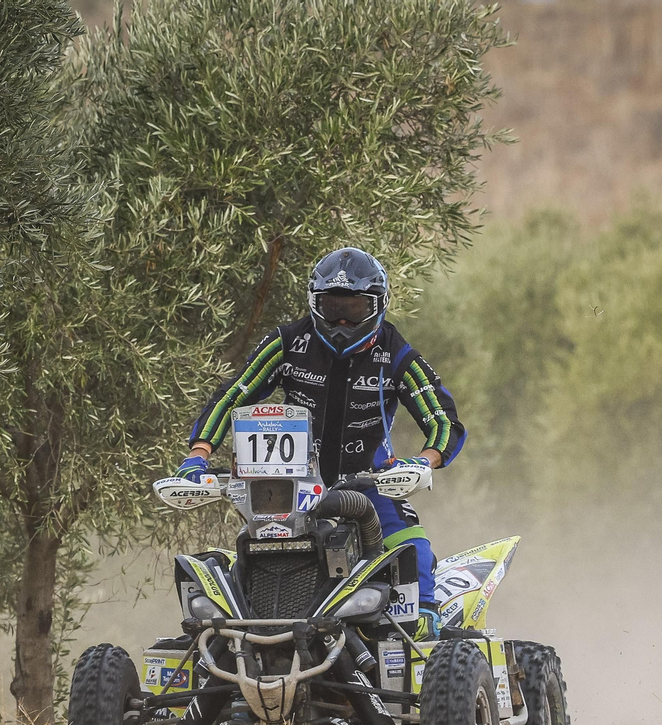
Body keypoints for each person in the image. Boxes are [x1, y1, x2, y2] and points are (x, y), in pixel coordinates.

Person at [177, 246, 465, 639]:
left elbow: (444, 421)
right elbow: (233, 396)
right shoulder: (287, 343)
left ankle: (425, 627)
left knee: (411, 544)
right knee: (248, 550)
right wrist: (198, 456)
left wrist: (423, 462)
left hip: (369, 481)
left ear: (378, 306)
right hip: (288, 486)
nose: (344, 320)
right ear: (315, 304)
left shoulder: (396, 354)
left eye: (356, 308)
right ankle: (236, 630)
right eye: (333, 308)